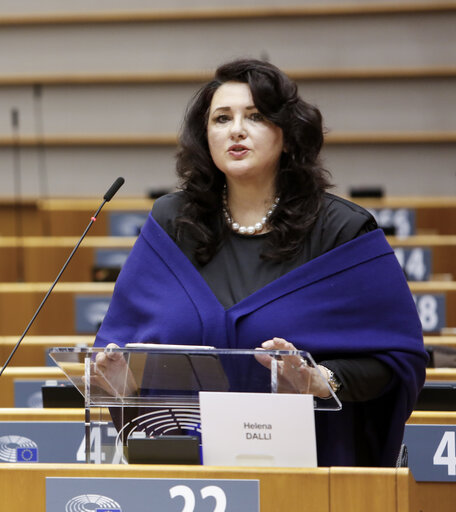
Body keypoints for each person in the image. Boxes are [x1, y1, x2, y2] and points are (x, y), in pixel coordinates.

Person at [93, 58, 428, 467]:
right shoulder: (172, 223)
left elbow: (394, 360)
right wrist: (121, 383)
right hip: (186, 466)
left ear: (287, 136)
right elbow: (119, 346)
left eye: (255, 116)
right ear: (206, 136)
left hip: (306, 465)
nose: (236, 129)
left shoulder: (342, 230)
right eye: (221, 118)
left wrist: (319, 380)